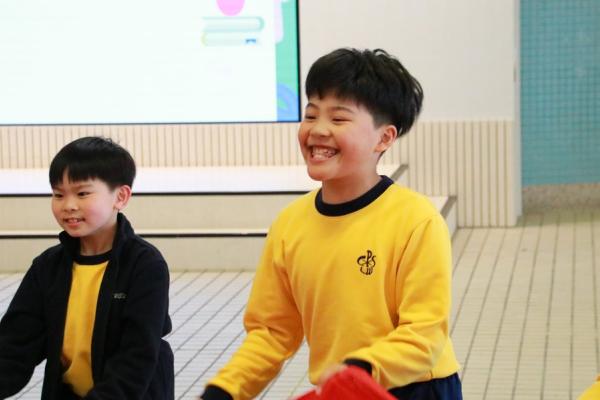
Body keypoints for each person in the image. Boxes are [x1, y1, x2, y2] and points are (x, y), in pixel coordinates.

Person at [199, 48, 462, 400]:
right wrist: (225, 390)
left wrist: (359, 370)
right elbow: (272, 333)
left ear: (384, 138)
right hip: (341, 389)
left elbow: (424, 334)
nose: (318, 130)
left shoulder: (417, 221)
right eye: (311, 115)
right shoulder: (289, 225)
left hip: (416, 387)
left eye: (338, 119)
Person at [0, 136, 174, 399]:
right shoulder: (47, 267)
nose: (68, 205)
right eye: (58, 194)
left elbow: (135, 359)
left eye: (82, 193)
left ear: (121, 197)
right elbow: (14, 349)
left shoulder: (145, 265)